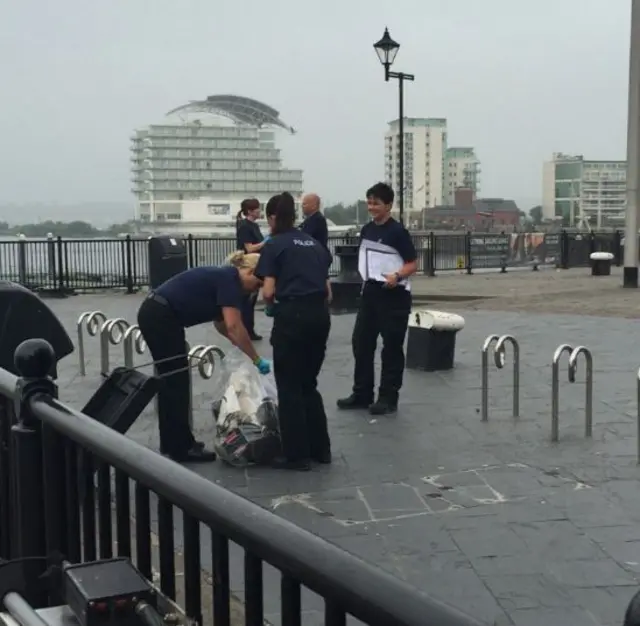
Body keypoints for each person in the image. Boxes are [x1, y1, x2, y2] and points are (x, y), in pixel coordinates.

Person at [137, 253, 270, 463]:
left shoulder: (227, 279)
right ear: (249, 271)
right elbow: (235, 326)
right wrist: (255, 358)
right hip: (160, 316)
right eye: (258, 283)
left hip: (159, 313)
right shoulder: (230, 281)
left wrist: (244, 351)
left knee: (173, 381)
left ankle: (175, 442)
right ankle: (180, 448)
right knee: (175, 383)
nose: (258, 289)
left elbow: (223, 325)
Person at [255, 191, 333, 470]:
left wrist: (273, 307)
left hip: (292, 316)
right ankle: (321, 450)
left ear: (273, 217)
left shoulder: (274, 245)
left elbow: (268, 291)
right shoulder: (314, 244)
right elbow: (327, 291)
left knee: (288, 386)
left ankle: (296, 455)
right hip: (320, 315)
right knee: (308, 384)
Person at [337, 182, 417, 416]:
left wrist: (397, 275)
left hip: (394, 296)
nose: (371, 207)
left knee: (391, 348)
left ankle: (388, 397)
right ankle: (362, 393)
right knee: (361, 343)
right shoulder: (367, 230)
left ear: (389, 205)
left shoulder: (397, 232)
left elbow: (412, 263)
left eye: (376, 203)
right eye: (369, 202)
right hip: (371, 293)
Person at [236, 198, 266, 341]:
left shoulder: (253, 225)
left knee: (251, 299)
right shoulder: (245, 226)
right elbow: (249, 248)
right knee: (247, 298)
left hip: (255, 264)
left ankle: (248, 329)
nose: (260, 211)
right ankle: (246, 330)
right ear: (249, 211)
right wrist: (266, 242)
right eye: (257, 209)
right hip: (248, 265)